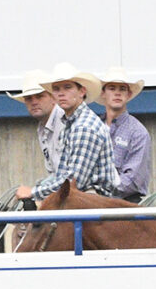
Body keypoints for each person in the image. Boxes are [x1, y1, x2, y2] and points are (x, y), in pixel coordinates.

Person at [16, 63, 122, 201]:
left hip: (94, 202)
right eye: (56, 89)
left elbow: (73, 182)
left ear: (82, 91)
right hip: (86, 199)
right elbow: (64, 177)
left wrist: (34, 192)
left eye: (67, 87)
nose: (61, 93)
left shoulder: (84, 127)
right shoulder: (71, 123)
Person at [99, 69, 153, 199]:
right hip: (96, 199)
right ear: (103, 93)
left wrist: (100, 192)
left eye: (122, 89)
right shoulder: (95, 127)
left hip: (126, 203)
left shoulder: (138, 132)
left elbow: (132, 181)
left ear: (128, 94)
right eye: (112, 88)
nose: (117, 93)